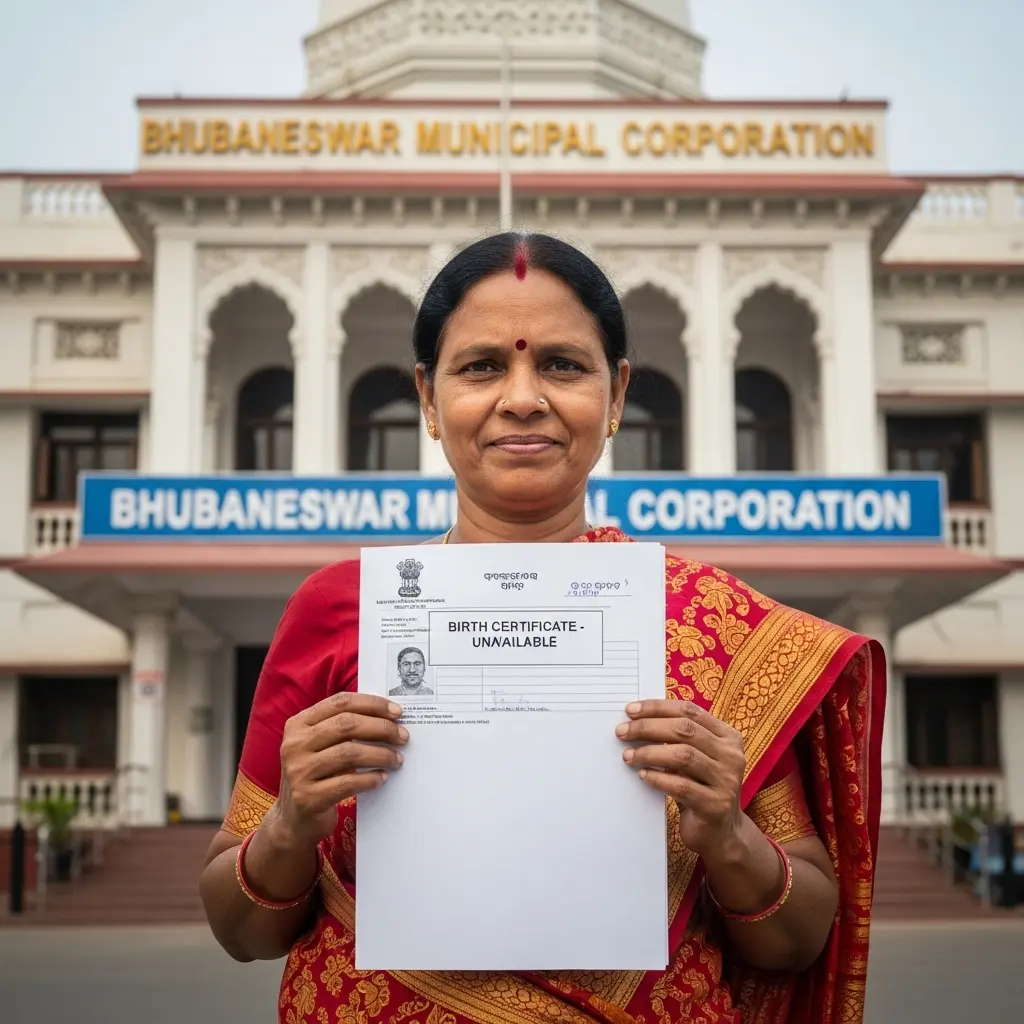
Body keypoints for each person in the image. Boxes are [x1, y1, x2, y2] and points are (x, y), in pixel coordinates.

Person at [200, 232, 885, 1024]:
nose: (523, 398)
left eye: (562, 365)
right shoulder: (339, 610)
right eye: (481, 366)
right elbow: (241, 929)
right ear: (428, 397)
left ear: (616, 393)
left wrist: (728, 835)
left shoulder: (713, 628)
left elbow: (797, 940)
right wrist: (290, 826)